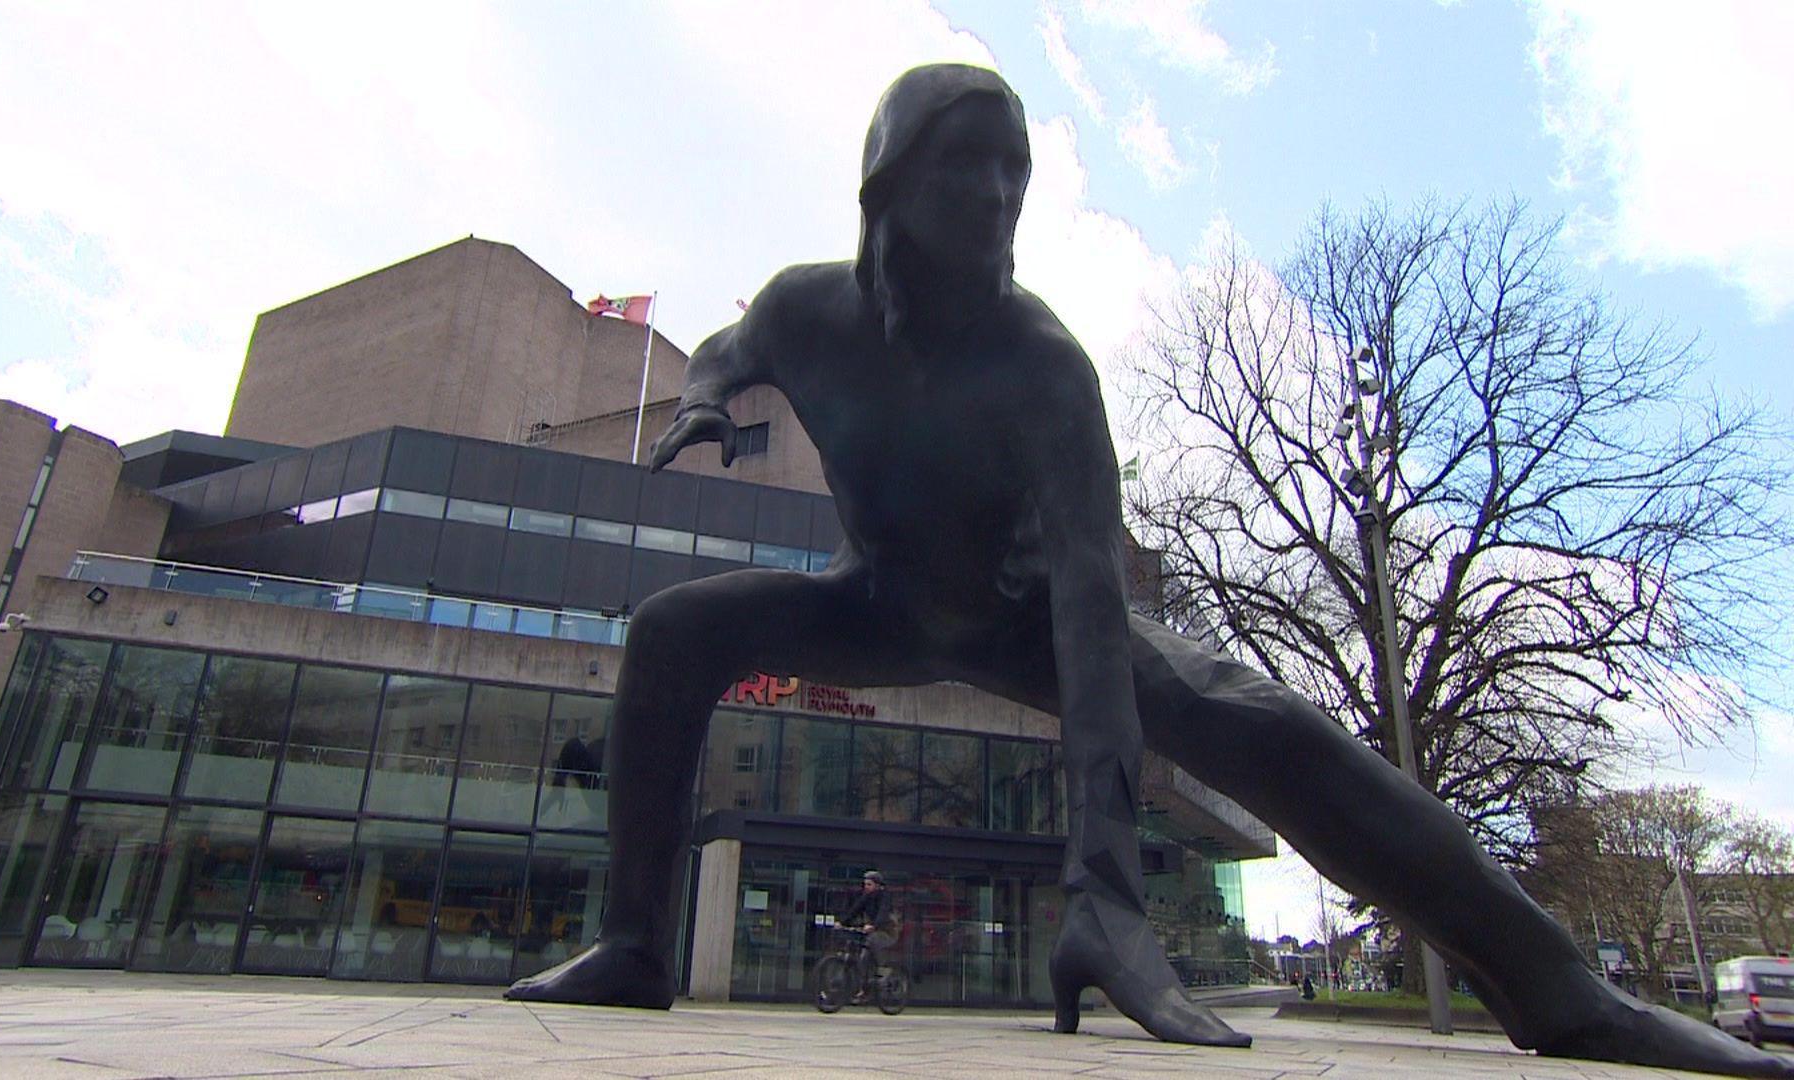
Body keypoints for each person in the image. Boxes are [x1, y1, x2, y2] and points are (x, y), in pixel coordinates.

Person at [505, 64, 1791, 1078]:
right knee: (673, 630)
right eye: (969, 166)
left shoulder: (1044, 367)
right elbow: (736, 338)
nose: (1001, 195)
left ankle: (1564, 993)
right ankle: (629, 945)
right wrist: (709, 392)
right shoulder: (808, 307)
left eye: (1017, 173)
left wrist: (1103, 888)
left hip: (1026, 617)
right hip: (881, 601)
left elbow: (1088, 611)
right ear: (890, 183)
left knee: (1268, 723)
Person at [838, 870, 898, 992]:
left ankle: (881, 969)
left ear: (877, 885)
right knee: (855, 943)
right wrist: (842, 923)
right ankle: (863, 980)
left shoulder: (885, 897)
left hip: (887, 932)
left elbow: (883, 912)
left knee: (872, 942)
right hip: (872, 930)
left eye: (869, 884)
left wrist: (874, 926)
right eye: (865, 884)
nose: (866, 887)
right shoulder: (866, 897)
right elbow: (855, 910)